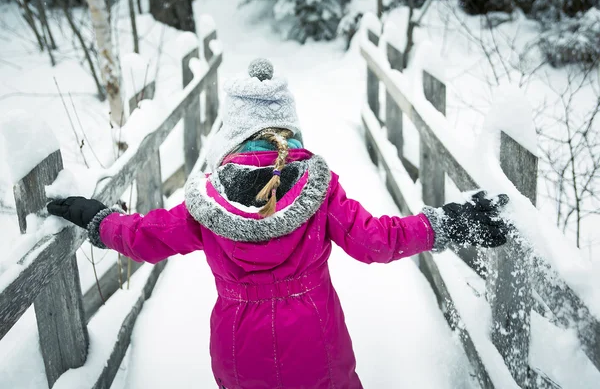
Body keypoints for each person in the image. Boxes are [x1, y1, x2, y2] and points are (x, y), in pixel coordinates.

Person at [47, 59, 509, 389]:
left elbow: (142, 237)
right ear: (287, 124)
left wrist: (94, 216)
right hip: (316, 344)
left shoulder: (208, 200)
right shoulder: (317, 187)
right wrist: (448, 223)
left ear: (232, 130)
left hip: (237, 349)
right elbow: (376, 241)